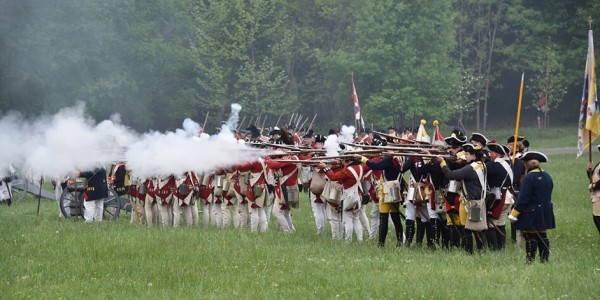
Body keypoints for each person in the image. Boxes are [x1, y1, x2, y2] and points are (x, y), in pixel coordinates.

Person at [437, 143, 487, 254]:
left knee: (474, 228)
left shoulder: (471, 168)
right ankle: (473, 251)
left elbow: (451, 175)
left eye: (467, 154)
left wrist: (442, 162)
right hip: (472, 201)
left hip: (473, 202)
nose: (466, 156)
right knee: (468, 228)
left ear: (473, 155)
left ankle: (475, 251)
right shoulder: (481, 164)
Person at [509, 151, 555, 263]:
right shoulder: (547, 176)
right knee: (542, 234)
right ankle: (544, 260)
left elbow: (523, 199)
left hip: (531, 212)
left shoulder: (529, 178)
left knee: (530, 236)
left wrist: (514, 214)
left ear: (526, 164)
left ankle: (530, 260)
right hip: (544, 211)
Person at [585, 145, 600, 234]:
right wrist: (590, 170)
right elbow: (593, 177)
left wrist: (593, 186)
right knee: (597, 218)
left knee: (598, 218)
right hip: (597, 196)